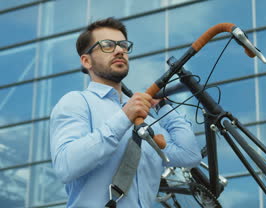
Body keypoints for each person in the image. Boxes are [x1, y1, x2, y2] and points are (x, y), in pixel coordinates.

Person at [49, 17, 201, 207]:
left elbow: (189, 155)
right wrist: (123, 118)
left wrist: (163, 107)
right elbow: (66, 166)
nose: (120, 50)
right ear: (86, 61)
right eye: (107, 45)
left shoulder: (140, 111)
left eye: (123, 45)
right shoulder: (76, 102)